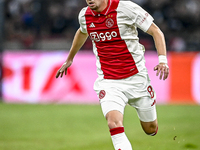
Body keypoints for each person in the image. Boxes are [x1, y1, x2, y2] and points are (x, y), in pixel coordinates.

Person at [56, 0, 169, 149]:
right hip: (109, 82)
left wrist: (162, 60)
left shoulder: (126, 8)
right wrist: (70, 58)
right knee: (113, 123)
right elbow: (82, 31)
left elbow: (155, 31)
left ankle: (149, 103)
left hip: (136, 78)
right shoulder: (84, 15)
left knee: (150, 129)